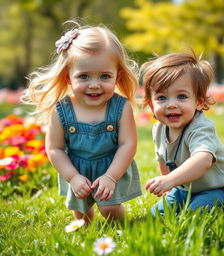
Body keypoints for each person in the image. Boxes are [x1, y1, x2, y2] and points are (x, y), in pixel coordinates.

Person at [21, 21, 142, 223]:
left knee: (110, 208)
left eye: (105, 76)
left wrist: (111, 177)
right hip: (76, 169)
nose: (94, 85)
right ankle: (85, 228)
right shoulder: (61, 111)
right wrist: (73, 177)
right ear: (68, 77)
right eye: (83, 76)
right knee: (81, 215)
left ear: (117, 76)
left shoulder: (121, 108)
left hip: (112, 166)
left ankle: (122, 230)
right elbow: (54, 149)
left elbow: (128, 144)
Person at [140, 51, 224, 216]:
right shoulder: (159, 128)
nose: (171, 104)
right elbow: (163, 159)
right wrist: (169, 187)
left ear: (199, 102)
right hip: (185, 189)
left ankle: (218, 203)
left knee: (193, 213)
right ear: (151, 105)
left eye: (181, 96)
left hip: (221, 189)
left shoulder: (200, 128)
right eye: (162, 98)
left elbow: (202, 161)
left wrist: (169, 180)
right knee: (154, 215)